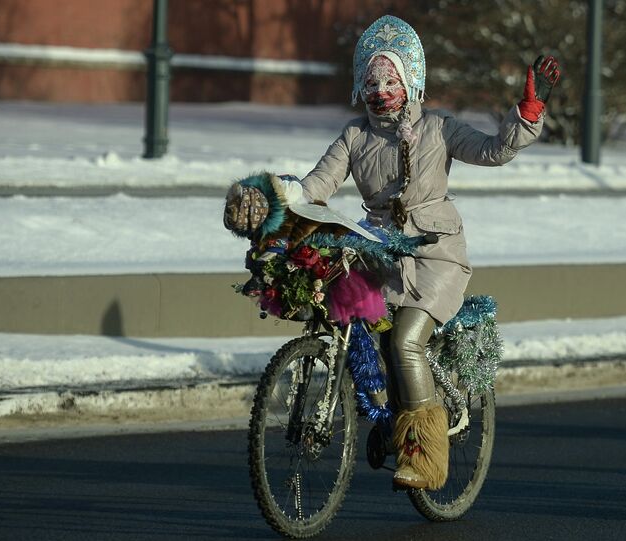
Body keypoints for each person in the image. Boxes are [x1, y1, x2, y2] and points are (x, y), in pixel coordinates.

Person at [224, 14, 560, 491]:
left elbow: (494, 150)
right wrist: (276, 195)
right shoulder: (354, 137)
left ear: (411, 80)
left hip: (437, 254)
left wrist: (527, 111)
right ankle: (385, 412)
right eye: (372, 80)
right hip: (381, 253)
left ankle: (425, 458)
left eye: (391, 79)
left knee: (404, 340)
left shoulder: (440, 128)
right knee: (359, 323)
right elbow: (317, 186)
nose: (381, 89)